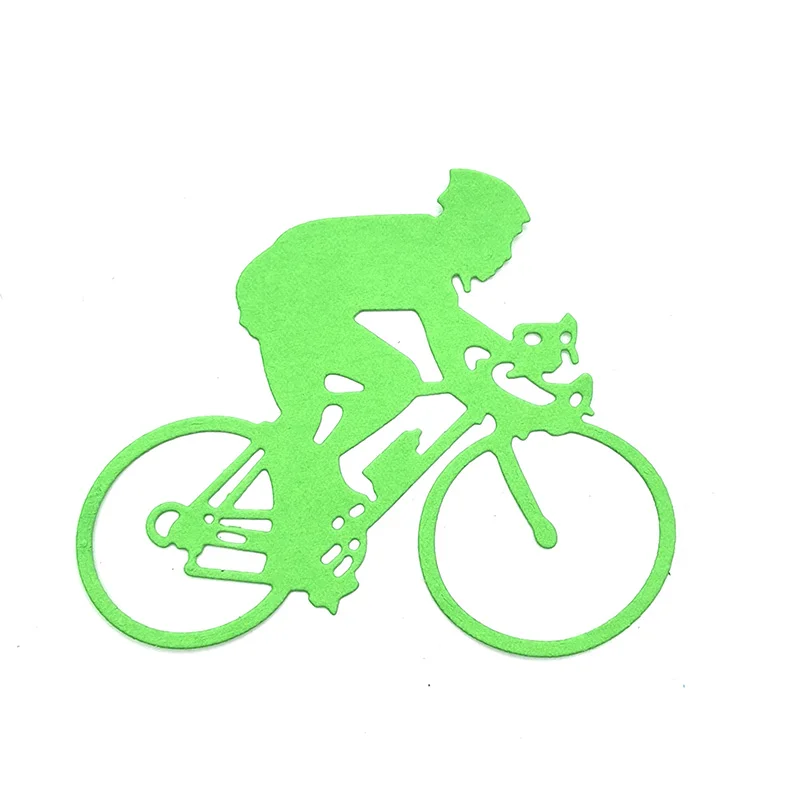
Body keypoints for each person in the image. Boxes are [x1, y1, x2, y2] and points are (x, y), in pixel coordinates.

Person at [236, 169, 531, 462]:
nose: (506, 254)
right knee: (396, 382)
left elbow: (453, 325)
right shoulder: (424, 255)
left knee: (305, 417)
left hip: (275, 290)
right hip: (280, 296)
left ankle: (312, 463)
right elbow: (451, 357)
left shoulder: (423, 242)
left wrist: (509, 352)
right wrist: (513, 404)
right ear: (472, 233)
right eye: (503, 239)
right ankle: (322, 461)